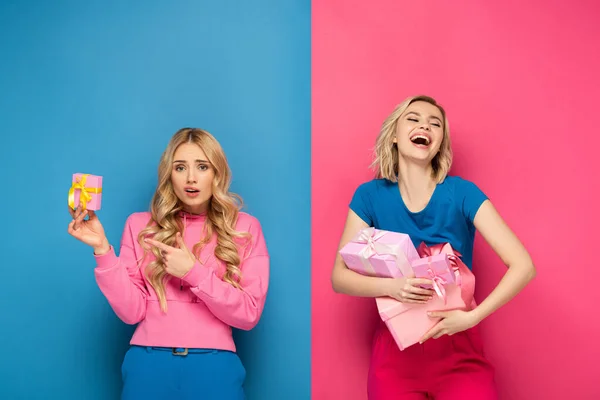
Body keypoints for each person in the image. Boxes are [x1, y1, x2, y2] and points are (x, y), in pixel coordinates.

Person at [331, 95, 536, 400]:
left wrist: (473, 317)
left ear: (439, 142)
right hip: (394, 356)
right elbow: (339, 277)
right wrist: (395, 286)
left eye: (435, 123)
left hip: (459, 348)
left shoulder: (463, 193)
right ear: (395, 136)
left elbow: (524, 266)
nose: (424, 125)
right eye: (413, 118)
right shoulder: (369, 196)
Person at [68, 128, 269, 400]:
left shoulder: (244, 228)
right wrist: (102, 249)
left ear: (216, 173)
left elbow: (249, 314)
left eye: (202, 166)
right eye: (180, 167)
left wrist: (193, 272)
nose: (191, 178)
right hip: (148, 365)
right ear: (169, 175)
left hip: (215, 366)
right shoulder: (139, 225)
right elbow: (131, 312)